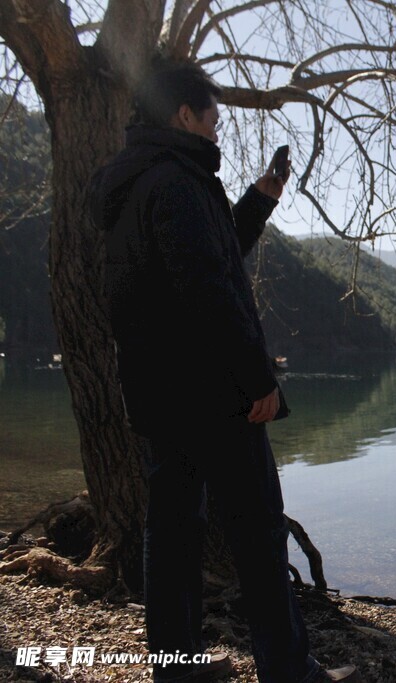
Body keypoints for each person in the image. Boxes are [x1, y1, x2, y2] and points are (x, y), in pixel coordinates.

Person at [89, 58, 359, 683]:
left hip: (160, 393)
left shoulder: (140, 183)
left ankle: (177, 669)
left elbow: (206, 255)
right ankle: (289, 671)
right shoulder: (179, 183)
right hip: (212, 391)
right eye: (213, 119)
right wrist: (257, 378)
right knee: (258, 534)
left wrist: (258, 201)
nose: (218, 131)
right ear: (185, 115)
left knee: (175, 533)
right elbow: (209, 290)